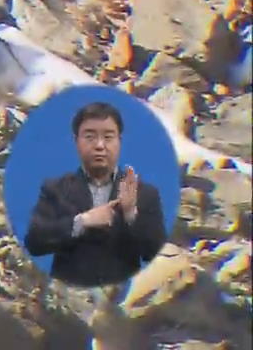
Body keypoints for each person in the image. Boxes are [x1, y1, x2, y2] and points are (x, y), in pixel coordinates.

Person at [23, 102, 167, 287]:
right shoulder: (55, 189)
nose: (100, 145)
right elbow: (35, 242)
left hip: (119, 306)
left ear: (119, 141)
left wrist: (131, 214)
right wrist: (82, 221)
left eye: (108, 137)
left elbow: (154, 252)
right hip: (68, 302)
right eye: (90, 137)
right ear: (76, 141)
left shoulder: (145, 193)